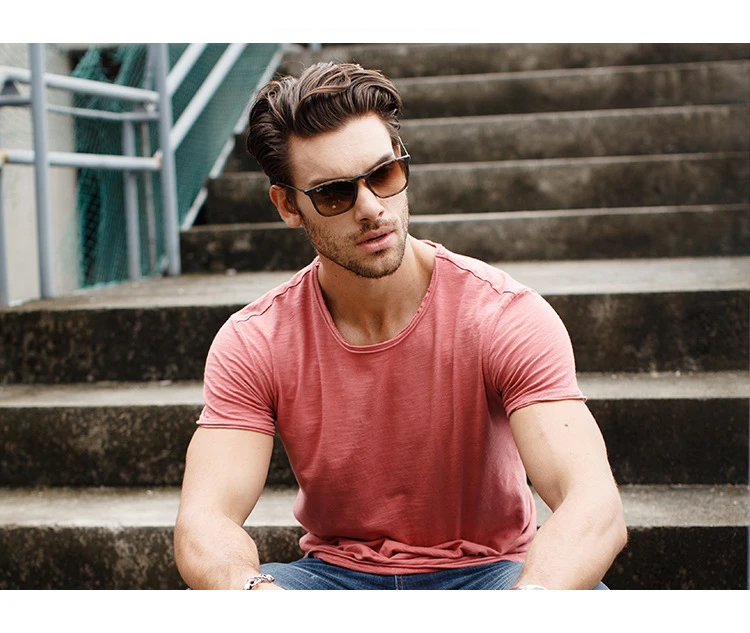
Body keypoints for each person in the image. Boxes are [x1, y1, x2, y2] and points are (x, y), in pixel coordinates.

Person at [173, 61, 627, 590]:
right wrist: (252, 594)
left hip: (489, 575)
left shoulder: (503, 316)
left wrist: (531, 601)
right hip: (333, 579)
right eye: (334, 193)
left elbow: (592, 501)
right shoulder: (255, 340)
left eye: (383, 174)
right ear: (288, 206)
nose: (371, 208)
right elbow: (205, 520)